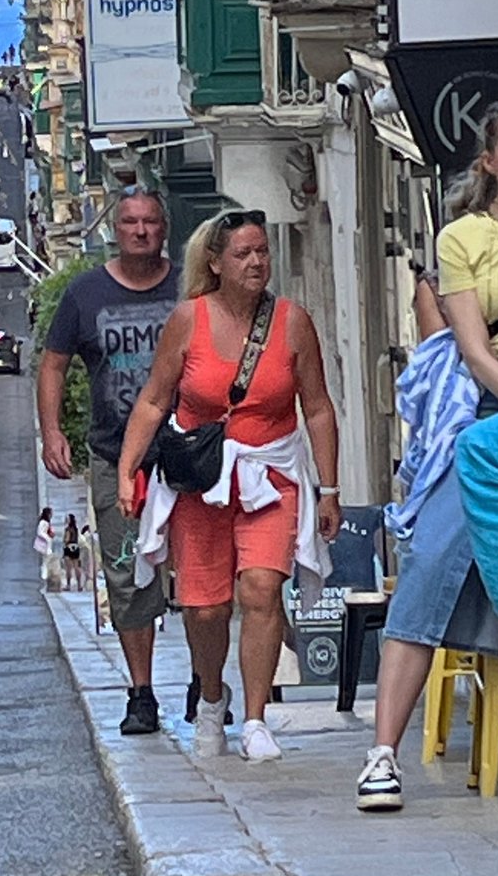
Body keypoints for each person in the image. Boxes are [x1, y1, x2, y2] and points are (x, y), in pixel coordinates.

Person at [357, 99, 498, 812]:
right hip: (495, 401)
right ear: (489, 164)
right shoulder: (462, 237)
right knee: (433, 559)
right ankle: (382, 755)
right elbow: (474, 350)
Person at [118, 209, 341, 762]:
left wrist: (329, 490)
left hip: (272, 476)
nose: (256, 262)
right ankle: (213, 699)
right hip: (201, 480)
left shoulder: (292, 323)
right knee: (206, 609)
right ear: (214, 263)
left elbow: (316, 407)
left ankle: (257, 718)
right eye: (242, 253)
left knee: (262, 589)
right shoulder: (188, 321)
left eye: (262, 251)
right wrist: (128, 470)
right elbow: (153, 398)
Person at [38, 187, 179, 734]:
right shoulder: (85, 294)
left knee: (196, 573)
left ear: (163, 229)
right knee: (127, 575)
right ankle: (141, 692)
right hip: (113, 455)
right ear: (114, 230)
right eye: (129, 222)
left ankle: (205, 686)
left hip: (188, 454)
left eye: (150, 222)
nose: (140, 231)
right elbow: (53, 365)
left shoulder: (187, 287)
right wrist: (53, 432)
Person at [62, 514, 83, 591]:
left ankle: (68, 585)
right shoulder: (76, 529)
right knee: (76, 567)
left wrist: (64, 540)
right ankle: (79, 585)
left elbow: (67, 539)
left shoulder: (68, 529)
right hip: (76, 547)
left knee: (68, 568)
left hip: (69, 547)